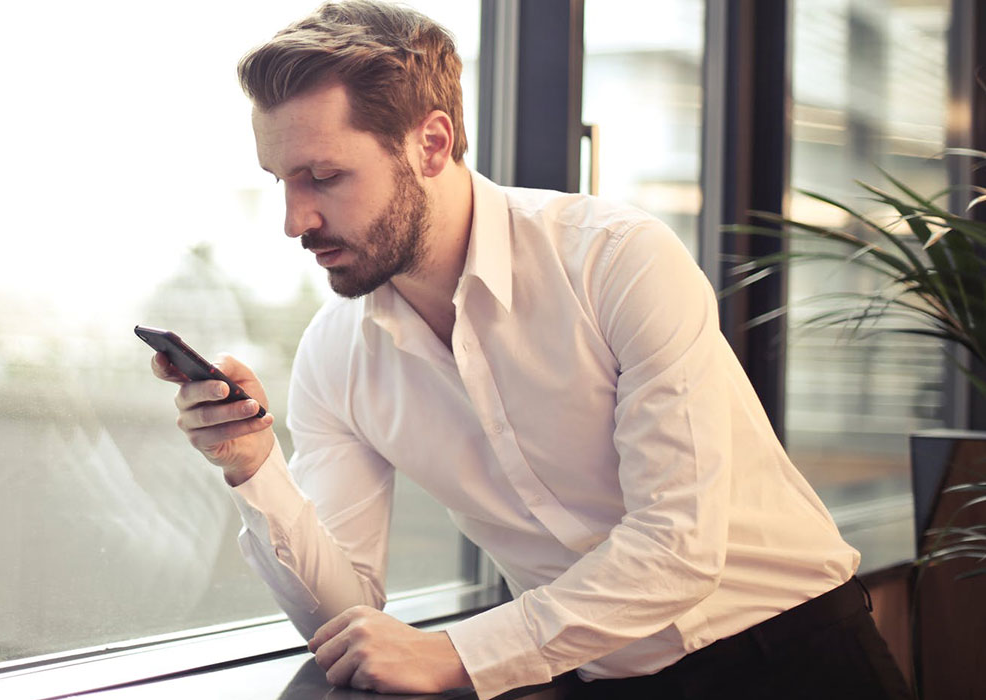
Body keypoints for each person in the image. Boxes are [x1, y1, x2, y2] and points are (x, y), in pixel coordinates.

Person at [149, 2, 912, 698]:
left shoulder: (617, 259)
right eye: (282, 180)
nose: (294, 220)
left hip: (793, 657)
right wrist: (254, 470)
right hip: (594, 678)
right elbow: (348, 621)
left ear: (432, 142)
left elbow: (677, 547)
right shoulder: (335, 357)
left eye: (324, 177)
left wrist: (461, 652)